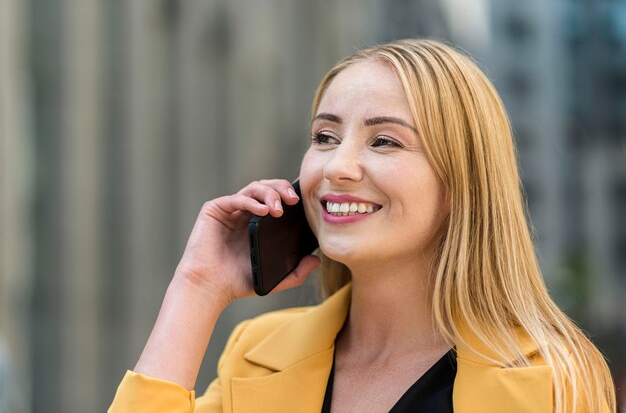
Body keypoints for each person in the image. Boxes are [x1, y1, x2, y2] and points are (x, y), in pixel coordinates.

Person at [109, 39, 616, 413]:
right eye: (325, 137)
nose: (337, 167)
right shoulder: (255, 353)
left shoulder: (556, 378)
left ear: (463, 181)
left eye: (385, 142)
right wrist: (197, 286)